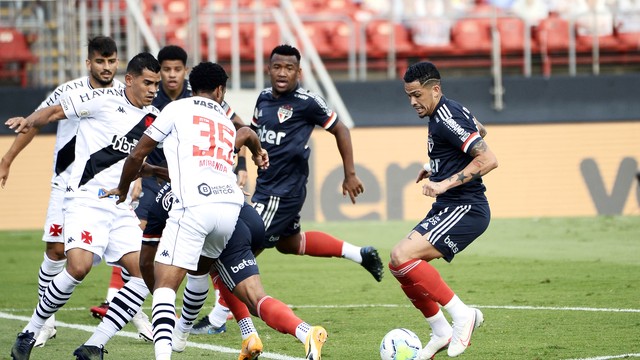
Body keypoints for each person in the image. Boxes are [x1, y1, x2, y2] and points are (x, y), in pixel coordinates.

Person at [100, 61, 268, 360]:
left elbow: (138, 152)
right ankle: (190, 334)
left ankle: (165, 353)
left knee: (164, 285)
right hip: (232, 207)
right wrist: (256, 153)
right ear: (220, 90)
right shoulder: (224, 118)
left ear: (192, 86)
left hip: (194, 203)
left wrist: (124, 187)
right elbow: (247, 132)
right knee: (203, 270)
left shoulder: (176, 109)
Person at [7, 52, 163, 360]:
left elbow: (140, 164)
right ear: (129, 80)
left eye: (156, 84)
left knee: (149, 274)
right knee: (77, 266)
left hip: (118, 206)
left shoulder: (153, 117)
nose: (153, 90)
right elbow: (52, 113)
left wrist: (157, 173)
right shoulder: (103, 100)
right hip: (85, 199)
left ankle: (93, 345)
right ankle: (31, 330)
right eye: (148, 83)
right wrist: (28, 120)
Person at [388, 61, 498, 359]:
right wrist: (435, 167)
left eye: (417, 95)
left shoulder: (446, 117)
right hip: (451, 206)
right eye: (408, 96)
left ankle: (463, 316)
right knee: (398, 264)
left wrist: (443, 183)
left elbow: (488, 159)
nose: (412, 102)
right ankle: (440, 330)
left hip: (466, 207)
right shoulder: (447, 111)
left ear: (435, 90)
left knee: (402, 256)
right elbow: (480, 130)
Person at [249, 44, 382, 279]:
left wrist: (349, 174)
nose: (282, 73)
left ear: (298, 73)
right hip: (269, 184)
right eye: (277, 67)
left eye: (289, 68)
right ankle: (360, 254)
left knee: (242, 248)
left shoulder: (307, 102)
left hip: (280, 191)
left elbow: (341, 130)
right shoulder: (263, 98)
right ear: (268, 69)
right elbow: (254, 132)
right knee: (288, 243)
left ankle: (219, 315)